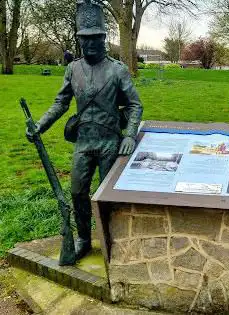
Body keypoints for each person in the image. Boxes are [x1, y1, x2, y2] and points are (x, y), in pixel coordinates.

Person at [26, 0, 143, 261]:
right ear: (79, 40)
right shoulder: (72, 69)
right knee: (78, 191)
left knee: (106, 195)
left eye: (94, 38)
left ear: (103, 38)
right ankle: (83, 239)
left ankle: (111, 240)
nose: (89, 44)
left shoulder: (117, 70)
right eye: (84, 39)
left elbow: (135, 105)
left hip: (110, 143)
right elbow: (60, 103)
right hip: (83, 142)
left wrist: (129, 134)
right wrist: (40, 125)